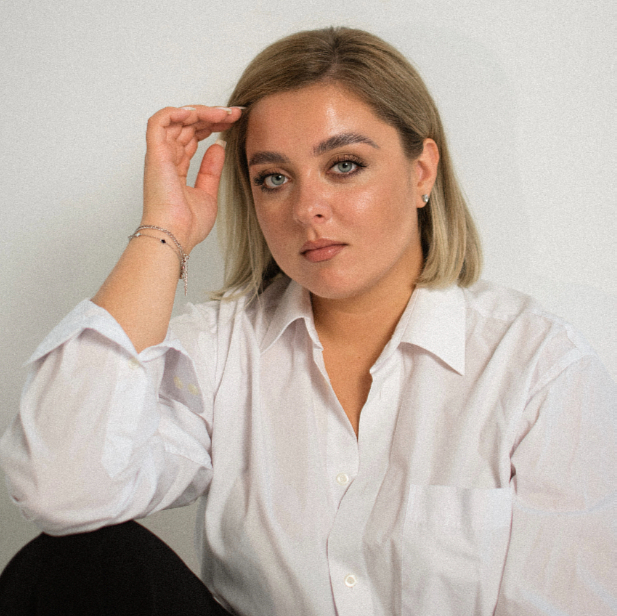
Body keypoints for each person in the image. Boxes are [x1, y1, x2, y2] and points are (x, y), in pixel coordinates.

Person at [0, 26, 615, 616]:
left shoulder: (536, 366)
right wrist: (164, 231)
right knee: (76, 564)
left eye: (344, 165)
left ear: (421, 171)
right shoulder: (219, 350)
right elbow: (63, 490)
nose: (306, 209)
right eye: (274, 178)